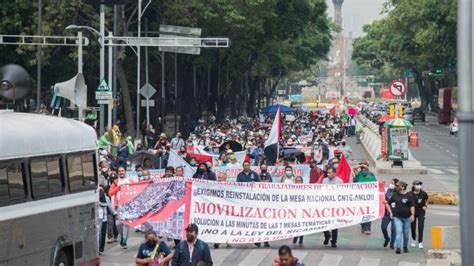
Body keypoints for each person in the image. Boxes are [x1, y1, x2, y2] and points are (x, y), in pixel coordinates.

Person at [108, 166, 134, 249]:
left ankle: (124, 240)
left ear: (125, 171)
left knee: (126, 223)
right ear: (118, 173)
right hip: (118, 205)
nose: (121, 172)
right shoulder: (115, 182)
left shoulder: (130, 181)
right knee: (118, 224)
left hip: (127, 205)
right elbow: (110, 193)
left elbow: (136, 190)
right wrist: (118, 188)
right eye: (120, 171)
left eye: (122, 171)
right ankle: (123, 235)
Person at [386, 181, 415, 254]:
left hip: (407, 218)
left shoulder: (409, 196)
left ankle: (405, 246)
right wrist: (390, 212)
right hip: (397, 217)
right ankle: (398, 247)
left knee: (406, 233)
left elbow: (412, 206)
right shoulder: (395, 195)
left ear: (403, 187)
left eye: (398, 186)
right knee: (398, 232)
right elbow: (387, 203)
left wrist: (412, 215)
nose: (397, 187)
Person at [352, 160, 376, 234]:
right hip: (360, 197)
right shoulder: (358, 174)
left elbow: (375, 184)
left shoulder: (371, 174)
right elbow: (353, 169)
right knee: (362, 213)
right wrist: (360, 166)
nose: (363, 167)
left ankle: (367, 228)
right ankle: (363, 226)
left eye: (364, 165)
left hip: (369, 197)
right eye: (361, 165)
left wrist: (366, 167)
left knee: (368, 212)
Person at [322, 167, 343, 248]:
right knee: (323, 223)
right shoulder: (324, 181)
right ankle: (327, 235)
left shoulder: (339, 181)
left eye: (330, 173)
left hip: (335, 206)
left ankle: (333, 241)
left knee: (334, 224)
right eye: (328, 173)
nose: (329, 174)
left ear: (335, 173)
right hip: (325, 205)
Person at [408, 180, 428, 249]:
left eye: (420, 184)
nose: (419, 185)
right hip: (412, 212)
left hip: (421, 211)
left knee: (421, 226)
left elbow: (426, 200)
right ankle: (413, 240)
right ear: (413, 185)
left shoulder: (423, 193)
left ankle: (420, 242)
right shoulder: (409, 194)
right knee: (413, 227)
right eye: (417, 184)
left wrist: (425, 206)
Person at [381, 178, 399, 249]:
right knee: (383, 228)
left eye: (392, 183)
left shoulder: (398, 192)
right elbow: (380, 191)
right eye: (390, 182)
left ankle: (392, 243)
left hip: (395, 213)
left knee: (393, 229)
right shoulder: (386, 190)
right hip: (386, 213)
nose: (391, 184)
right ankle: (387, 238)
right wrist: (382, 184)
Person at [292, 176, 305, 246]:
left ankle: (301, 239)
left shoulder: (305, 190)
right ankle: (296, 236)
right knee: (295, 224)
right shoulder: (292, 190)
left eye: (299, 181)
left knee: (302, 224)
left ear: (302, 182)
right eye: (296, 181)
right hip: (294, 209)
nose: (298, 182)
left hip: (302, 209)